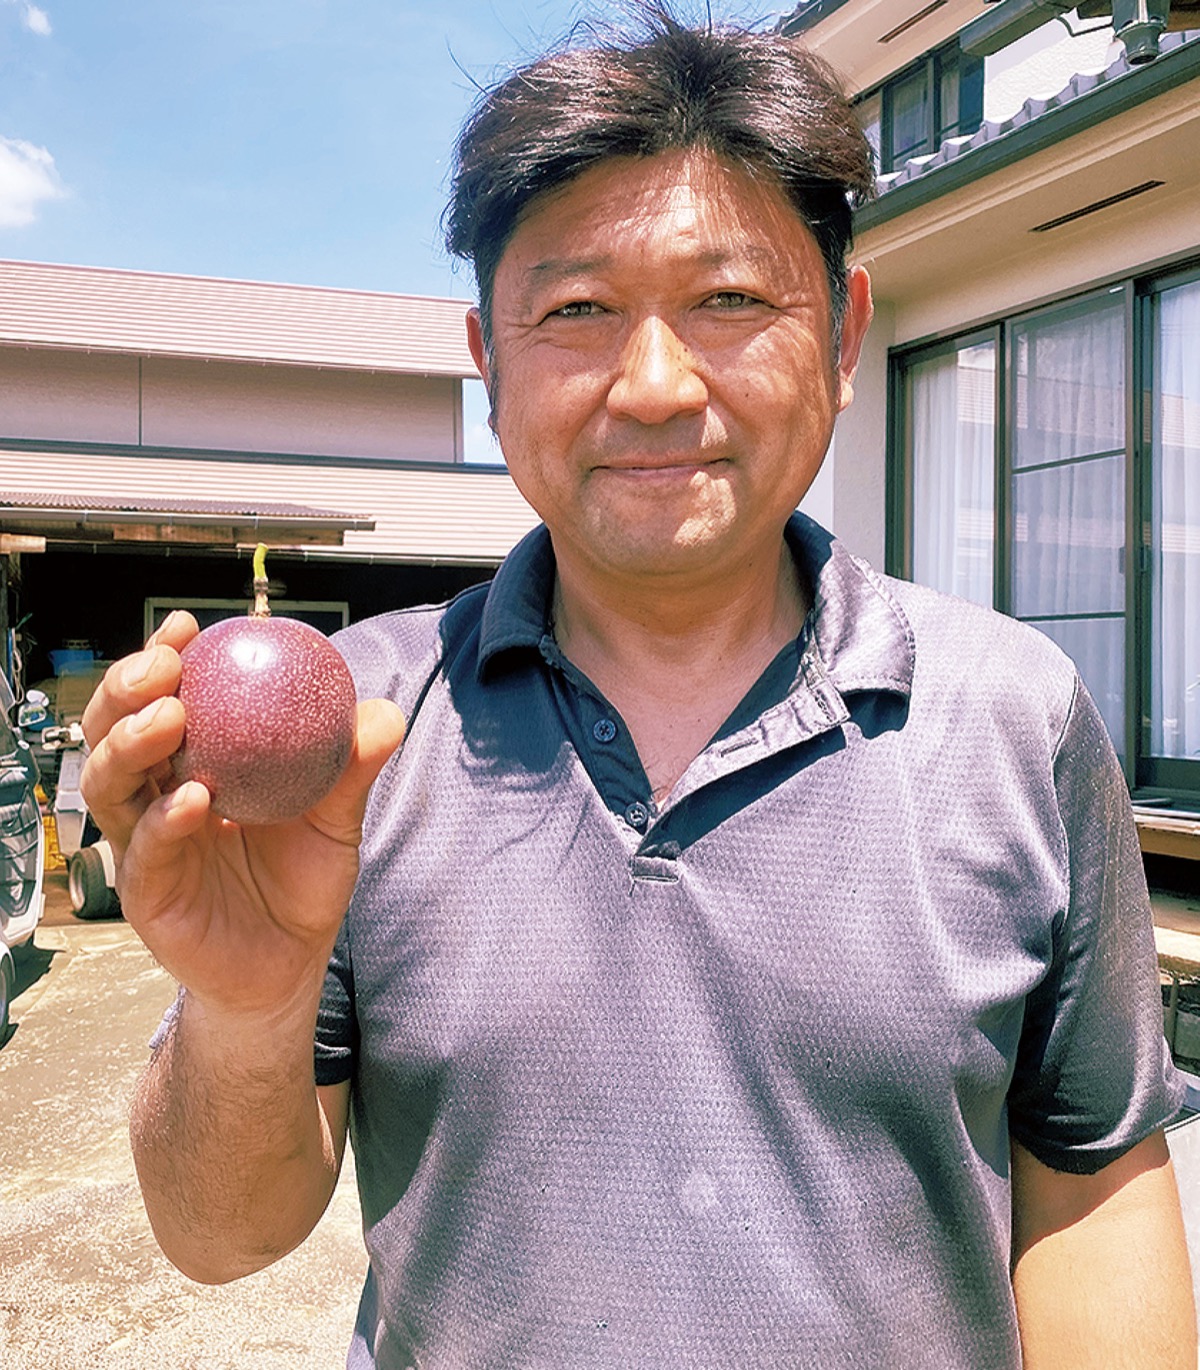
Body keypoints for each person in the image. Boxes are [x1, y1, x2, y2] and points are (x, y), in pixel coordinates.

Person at [81, 6, 1196, 1368]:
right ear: (489, 362)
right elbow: (220, 1238)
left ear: (844, 335)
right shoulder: (358, 737)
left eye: (731, 300)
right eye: (577, 310)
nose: (656, 386)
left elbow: (1092, 1189)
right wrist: (247, 1011)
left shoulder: (1014, 714)